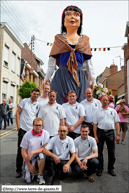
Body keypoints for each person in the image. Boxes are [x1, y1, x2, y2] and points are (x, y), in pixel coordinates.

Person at [43, 5, 96, 104]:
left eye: (76, 15)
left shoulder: (85, 40)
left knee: (82, 104)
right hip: (61, 75)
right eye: (68, 14)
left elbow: (89, 64)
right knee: (58, 103)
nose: (72, 17)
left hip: (79, 76)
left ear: (81, 21)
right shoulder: (59, 39)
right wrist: (46, 78)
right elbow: (52, 62)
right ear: (63, 21)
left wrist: (94, 80)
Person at [15, 88, 41, 178]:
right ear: (31, 93)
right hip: (23, 129)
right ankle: (18, 170)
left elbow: (37, 117)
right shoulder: (24, 101)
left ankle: (31, 167)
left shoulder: (38, 105)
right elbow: (17, 113)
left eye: (37, 94)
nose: (36, 96)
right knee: (20, 150)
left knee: (32, 150)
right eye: (34, 94)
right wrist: (18, 126)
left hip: (32, 131)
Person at [93, 95, 120, 177]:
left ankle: (110, 169)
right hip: (100, 132)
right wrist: (95, 136)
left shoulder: (113, 111)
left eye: (106, 100)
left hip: (110, 133)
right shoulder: (97, 111)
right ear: (100, 101)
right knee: (99, 151)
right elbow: (95, 125)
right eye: (103, 100)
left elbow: (117, 123)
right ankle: (100, 169)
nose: (104, 101)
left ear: (108, 101)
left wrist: (118, 134)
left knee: (111, 152)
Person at [20, 118, 49, 184]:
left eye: (40, 125)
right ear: (33, 126)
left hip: (39, 154)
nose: (38, 127)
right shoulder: (27, 135)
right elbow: (23, 151)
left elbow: (44, 148)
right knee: (28, 180)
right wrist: (29, 165)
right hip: (29, 157)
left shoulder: (46, 133)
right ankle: (29, 168)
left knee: (42, 156)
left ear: (42, 126)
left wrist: (32, 152)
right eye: (36, 125)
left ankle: (40, 175)